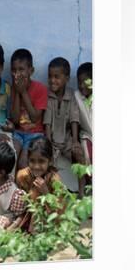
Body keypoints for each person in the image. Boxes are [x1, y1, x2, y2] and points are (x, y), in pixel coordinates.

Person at [44, 57, 84, 193]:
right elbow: (47, 121)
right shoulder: (48, 96)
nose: (52, 80)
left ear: (66, 78)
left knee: (80, 156)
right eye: (50, 76)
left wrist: (75, 141)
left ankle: (82, 189)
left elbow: (74, 118)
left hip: (67, 140)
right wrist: (48, 141)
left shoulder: (72, 95)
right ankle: (52, 191)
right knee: (48, 163)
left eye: (57, 77)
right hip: (53, 140)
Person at [9, 48, 48, 170]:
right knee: (10, 156)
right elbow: (15, 119)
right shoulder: (14, 88)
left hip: (35, 134)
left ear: (31, 71)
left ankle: (24, 188)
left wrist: (23, 92)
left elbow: (35, 118)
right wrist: (17, 92)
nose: (17, 74)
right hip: (18, 133)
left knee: (23, 164)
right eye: (14, 70)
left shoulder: (40, 89)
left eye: (21, 69)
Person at [16, 137, 63, 233]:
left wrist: (46, 193)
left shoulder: (55, 181)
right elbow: (19, 203)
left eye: (41, 161)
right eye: (32, 161)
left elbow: (59, 213)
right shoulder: (22, 176)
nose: (36, 166)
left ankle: (34, 232)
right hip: (26, 216)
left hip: (49, 219)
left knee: (36, 191)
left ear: (50, 161)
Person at [74, 62, 92, 165]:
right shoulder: (76, 96)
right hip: (86, 136)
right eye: (79, 82)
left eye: (85, 82)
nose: (81, 86)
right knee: (86, 157)